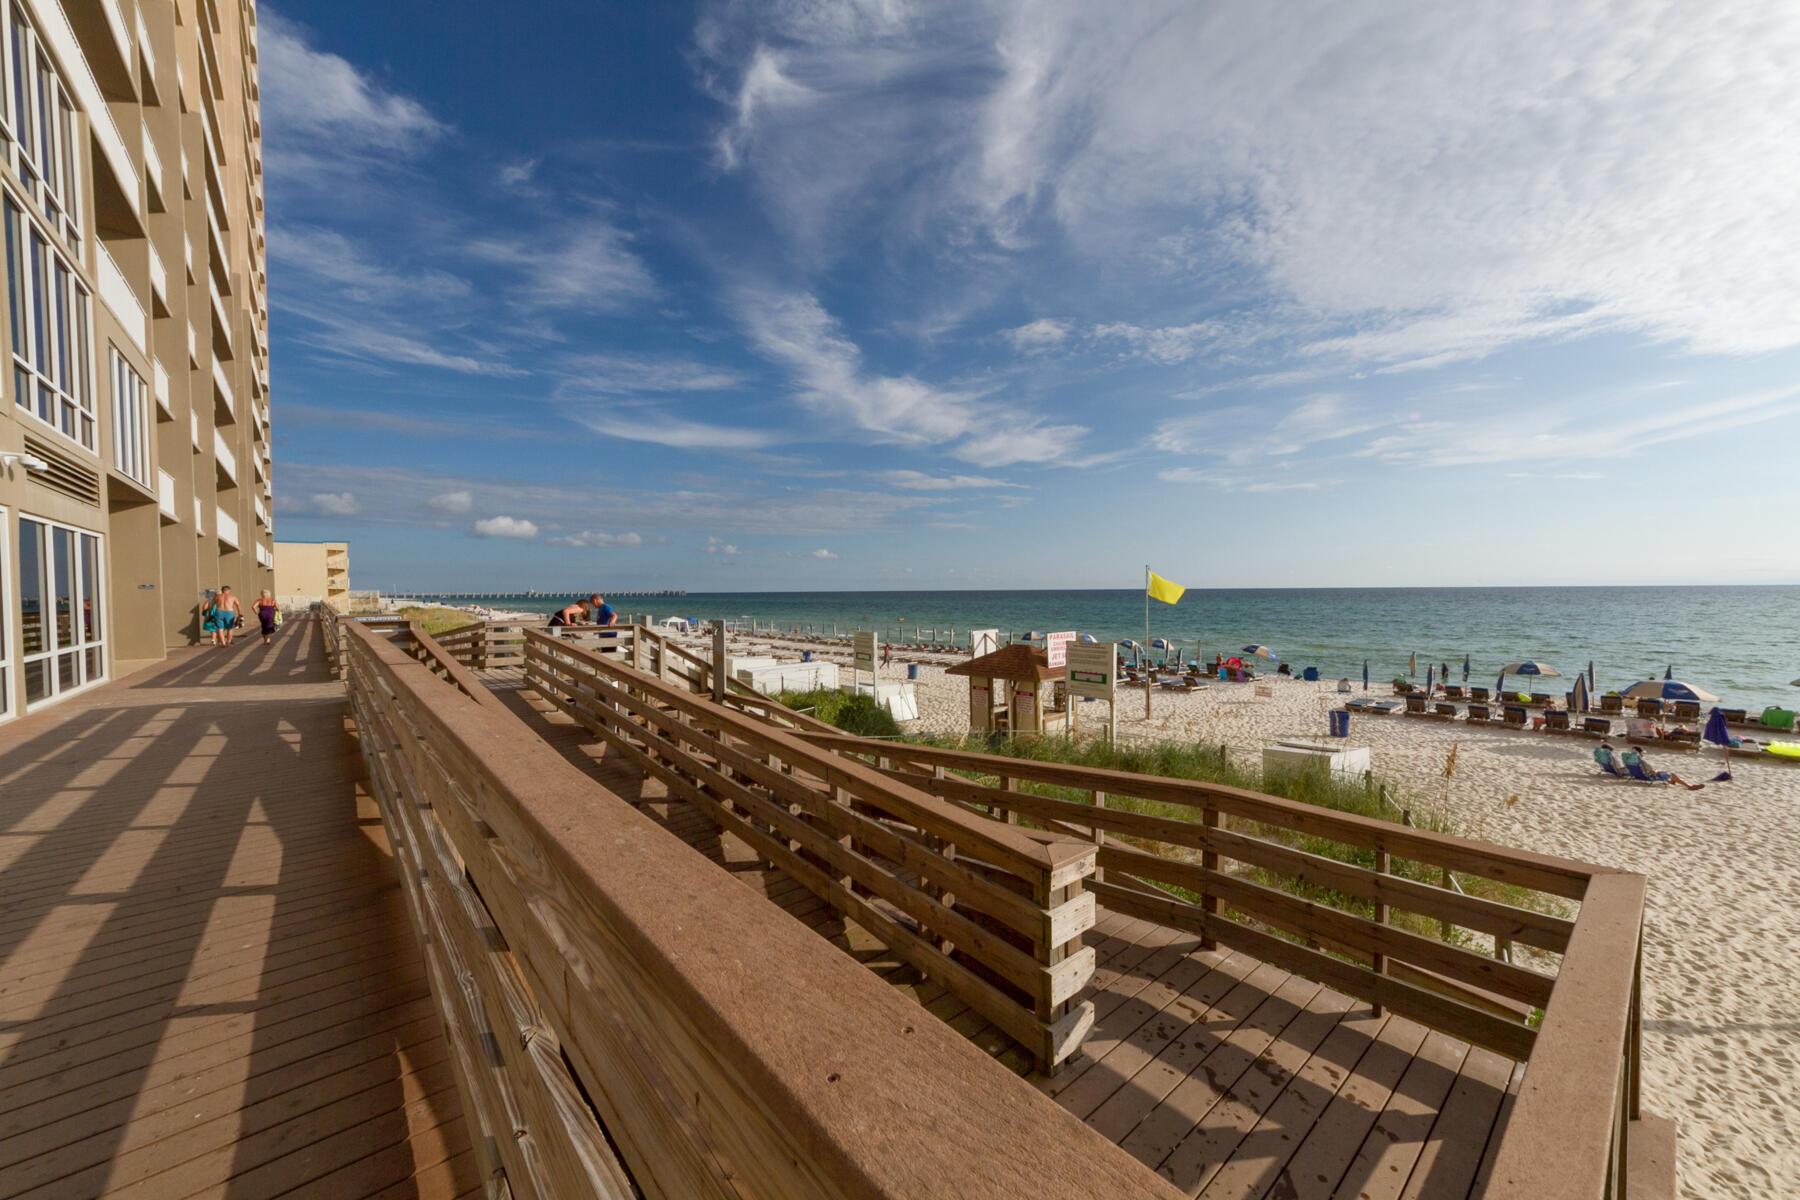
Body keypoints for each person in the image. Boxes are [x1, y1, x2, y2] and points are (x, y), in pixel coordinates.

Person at [1621, 746, 1703, 790]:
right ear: (1640, 753)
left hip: (1638, 775)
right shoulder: (1643, 762)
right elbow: (1652, 772)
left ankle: (1671, 781)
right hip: (1648, 777)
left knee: (1664, 773)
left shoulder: (1630, 761)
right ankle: (1689, 786)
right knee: (1672, 774)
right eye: (1642, 753)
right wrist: (1657, 771)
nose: (1643, 754)